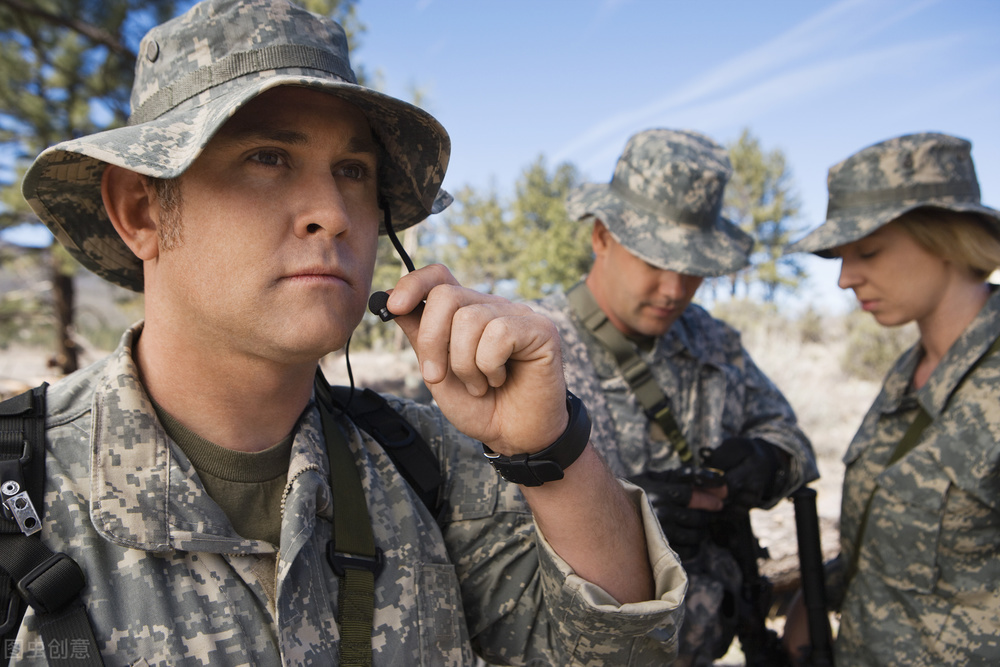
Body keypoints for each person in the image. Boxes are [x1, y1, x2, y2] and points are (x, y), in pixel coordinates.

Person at [0, 1, 689, 664]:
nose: (332, 213)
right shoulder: (19, 488)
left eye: (353, 172)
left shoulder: (426, 463)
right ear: (139, 209)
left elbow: (627, 655)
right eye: (267, 157)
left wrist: (550, 448)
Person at [530, 128, 818, 666]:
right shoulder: (533, 350)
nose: (675, 289)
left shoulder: (714, 342)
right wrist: (621, 519)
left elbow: (793, 443)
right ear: (601, 237)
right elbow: (487, 533)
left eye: (693, 268)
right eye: (656, 262)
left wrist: (764, 463)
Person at [781, 132, 1000, 666]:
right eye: (840, 256)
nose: (844, 278)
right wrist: (812, 601)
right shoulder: (909, 376)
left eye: (869, 251)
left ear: (946, 238)